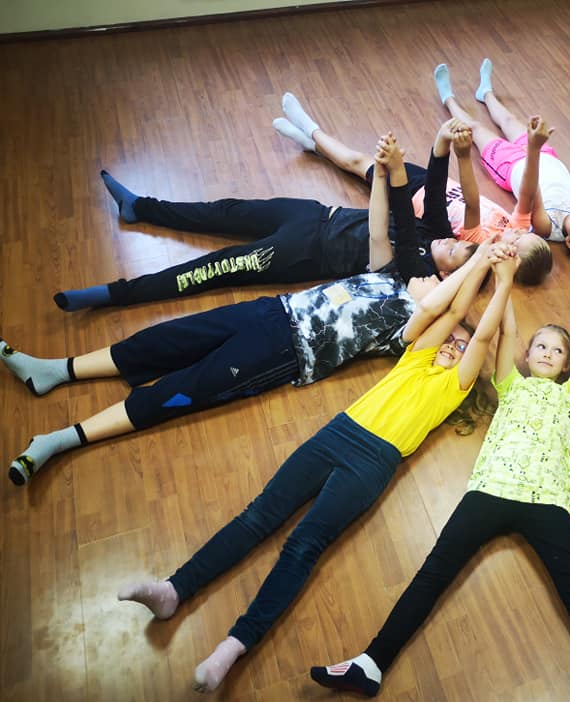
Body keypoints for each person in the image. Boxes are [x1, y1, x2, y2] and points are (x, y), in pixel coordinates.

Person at [116, 237, 518, 693]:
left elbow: (482, 336)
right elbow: (448, 311)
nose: (455, 346)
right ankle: (173, 589)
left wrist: (503, 281)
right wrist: (481, 260)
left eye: (462, 347)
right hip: (337, 433)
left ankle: (234, 644)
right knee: (257, 516)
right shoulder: (416, 357)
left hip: (373, 462)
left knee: (303, 545)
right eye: (451, 340)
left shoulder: (456, 386)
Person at [2, 140, 463, 485]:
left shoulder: (410, 329)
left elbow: (447, 304)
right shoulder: (387, 271)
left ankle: (60, 440)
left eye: (442, 275)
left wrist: (480, 266)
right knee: (166, 340)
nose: (429, 275)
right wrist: (387, 172)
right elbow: (387, 227)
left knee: (178, 390)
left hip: (284, 354)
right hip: (274, 311)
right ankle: (56, 370)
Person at [310, 267, 570, 702]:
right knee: (433, 573)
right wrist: (503, 278)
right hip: (488, 492)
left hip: (546, 501)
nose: (548, 353)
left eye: (558, 350)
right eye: (541, 346)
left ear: (567, 365)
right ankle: (371, 663)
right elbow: (505, 330)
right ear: (527, 355)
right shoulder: (509, 384)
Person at [53, 129, 477, 311]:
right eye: (458, 242)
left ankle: (114, 294)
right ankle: (140, 207)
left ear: (445, 274)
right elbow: (435, 184)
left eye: (454, 254)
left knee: (210, 269)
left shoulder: (415, 270)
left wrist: (388, 173)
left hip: (302, 252)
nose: (450, 242)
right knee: (223, 211)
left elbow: (387, 219)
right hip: (312, 213)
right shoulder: (438, 232)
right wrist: (446, 139)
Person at [274, 93, 554, 285]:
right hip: (436, 186)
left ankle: (311, 130)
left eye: (518, 240)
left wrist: (463, 157)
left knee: (357, 162)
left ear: (510, 256)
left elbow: (472, 203)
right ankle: (312, 144)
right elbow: (525, 196)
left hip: (414, 198)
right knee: (360, 162)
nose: (519, 231)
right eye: (524, 233)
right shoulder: (514, 227)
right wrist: (532, 148)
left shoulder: (479, 246)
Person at [432, 58, 570, 267]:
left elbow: (530, 189)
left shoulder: (546, 228)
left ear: (569, 242)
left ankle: (448, 99)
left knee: (475, 129)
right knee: (509, 120)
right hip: (544, 154)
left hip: (513, 165)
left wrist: (533, 149)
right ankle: (486, 93)